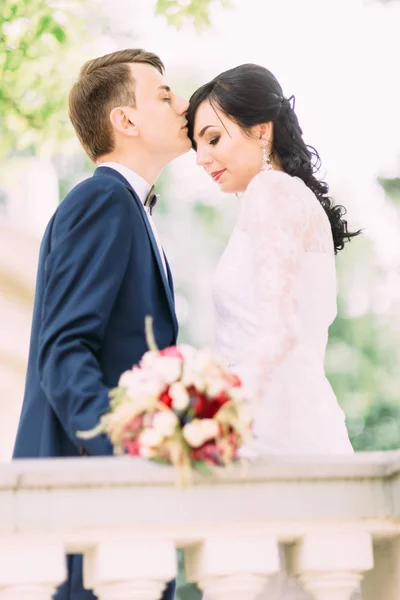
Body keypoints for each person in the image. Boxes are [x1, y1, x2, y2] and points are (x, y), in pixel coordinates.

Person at [12, 48, 190, 600]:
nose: (183, 105)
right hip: (89, 500)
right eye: (164, 95)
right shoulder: (103, 201)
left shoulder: (127, 206)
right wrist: (122, 456)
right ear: (126, 119)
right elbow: (64, 350)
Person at [187, 63, 358, 457]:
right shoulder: (286, 195)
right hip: (299, 417)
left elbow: (280, 327)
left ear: (261, 130)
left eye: (212, 139)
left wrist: (220, 415)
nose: (201, 158)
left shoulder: (272, 191)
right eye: (197, 146)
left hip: (271, 432)